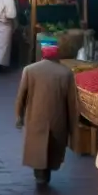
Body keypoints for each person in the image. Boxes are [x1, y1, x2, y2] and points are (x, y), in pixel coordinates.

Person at [16, 45, 78, 186]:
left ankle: (40, 175)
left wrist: (19, 115)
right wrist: (73, 129)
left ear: (42, 55)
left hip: (35, 118)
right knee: (53, 149)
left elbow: (21, 96)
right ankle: (46, 175)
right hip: (58, 118)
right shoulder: (66, 73)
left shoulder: (30, 70)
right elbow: (72, 103)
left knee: (37, 148)